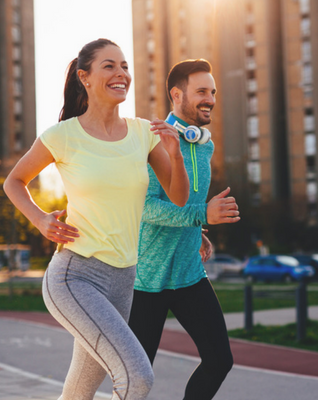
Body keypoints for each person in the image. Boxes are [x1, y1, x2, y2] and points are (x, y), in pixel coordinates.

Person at [3, 39, 189, 400]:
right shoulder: (63, 135)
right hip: (75, 277)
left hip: (123, 279)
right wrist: (41, 220)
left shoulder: (142, 133)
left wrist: (176, 156)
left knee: (78, 392)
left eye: (124, 66)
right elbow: (14, 181)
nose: (121, 74)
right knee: (137, 378)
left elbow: (178, 197)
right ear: (84, 77)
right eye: (109, 66)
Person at [128, 59, 239, 400]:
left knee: (220, 360)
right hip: (147, 279)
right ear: (177, 94)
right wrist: (200, 214)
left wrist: (198, 228)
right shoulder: (151, 141)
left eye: (214, 92)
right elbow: (145, 208)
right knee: (137, 376)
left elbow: (184, 202)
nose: (211, 99)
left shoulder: (205, 144)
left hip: (190, 273)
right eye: (202, 91)